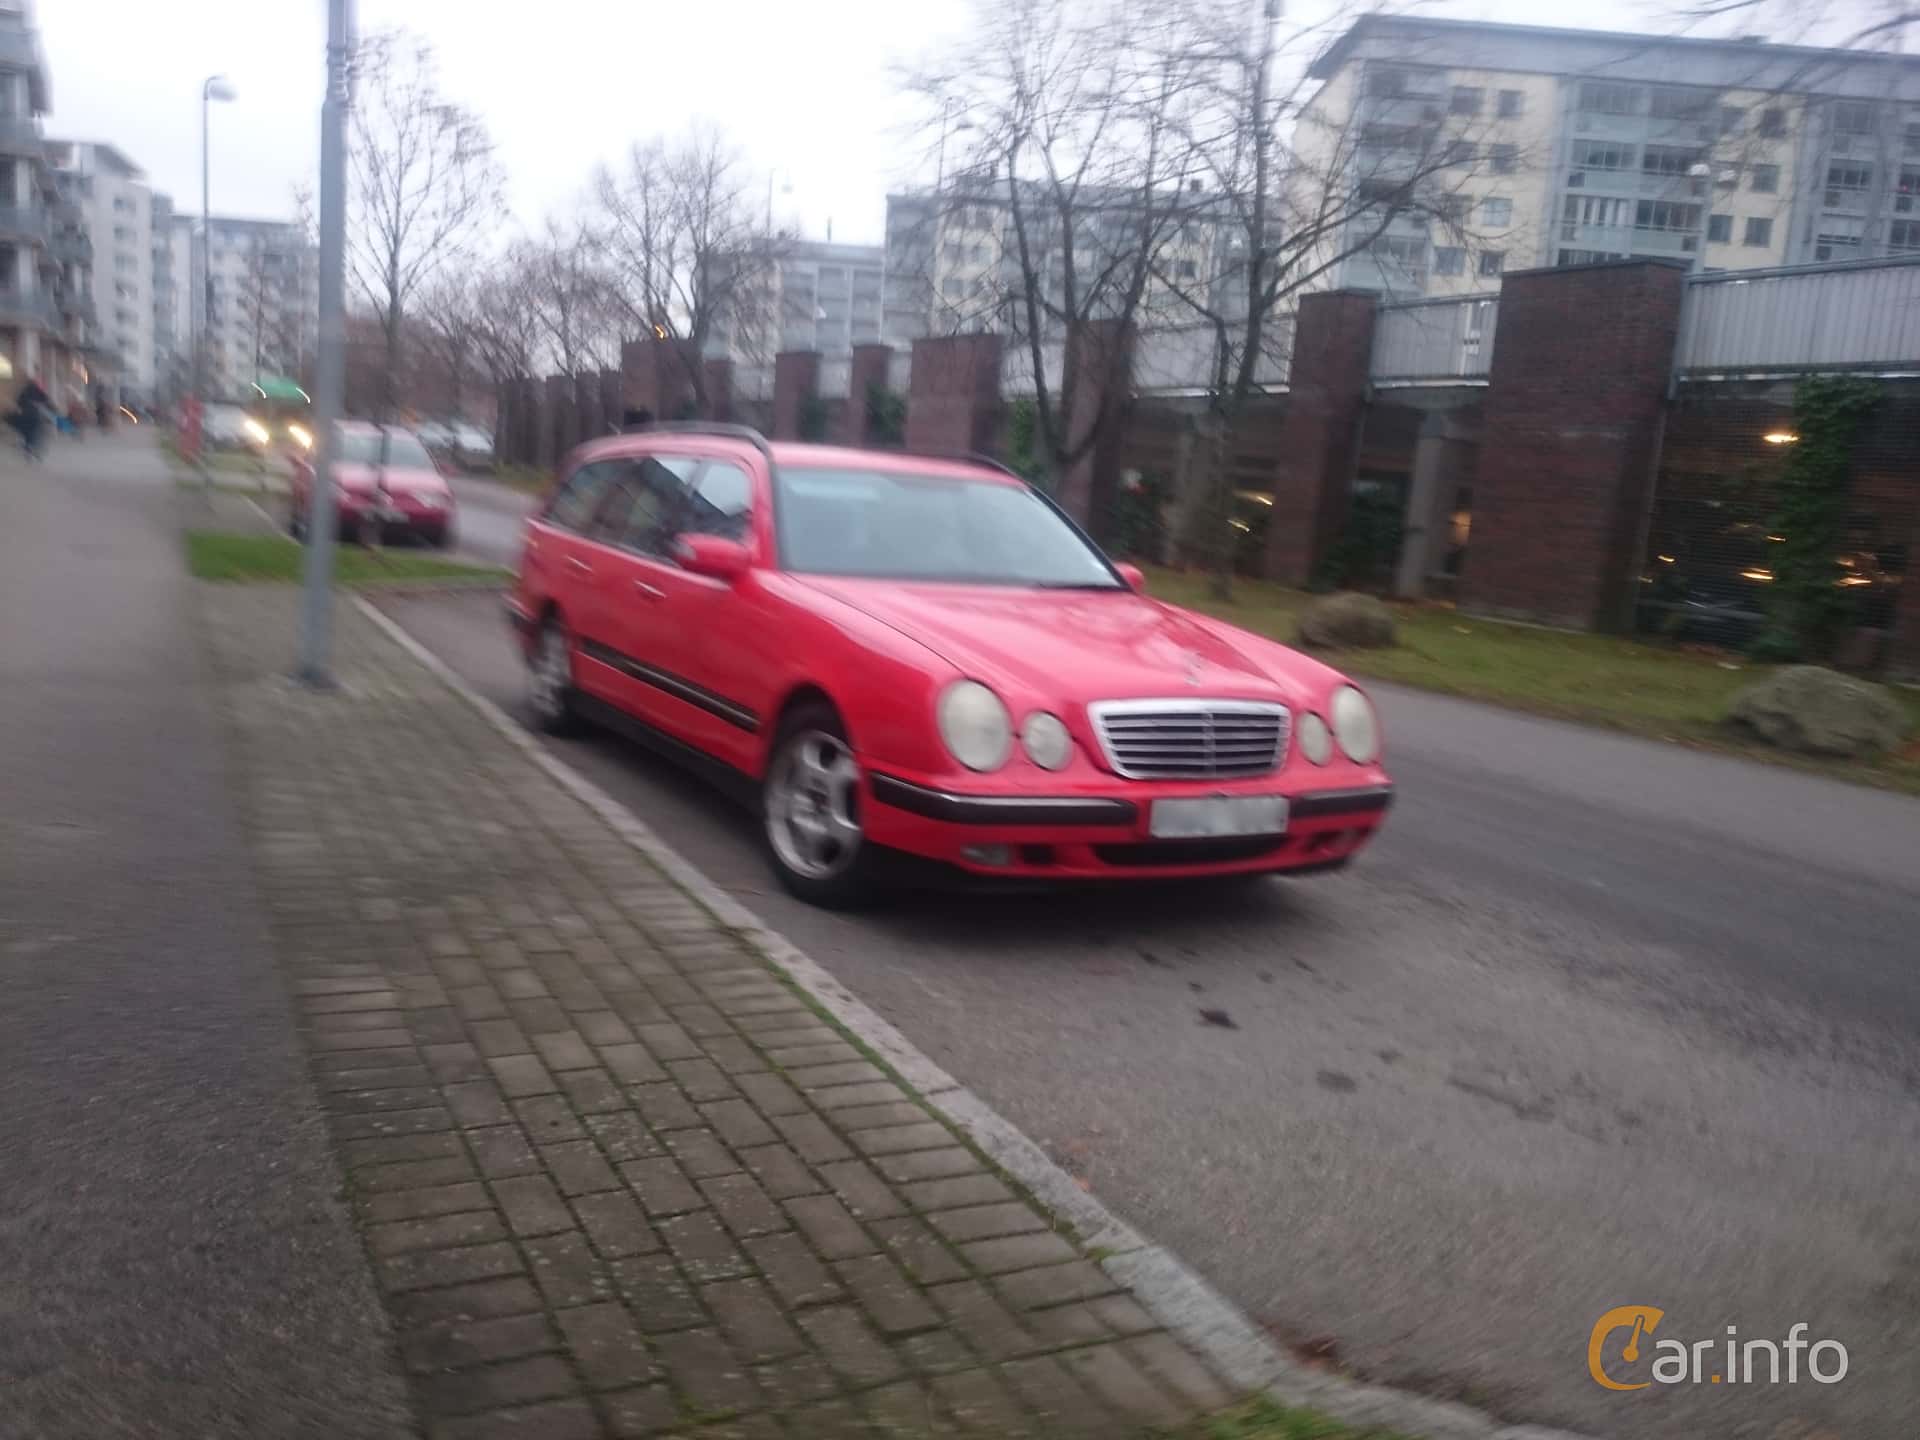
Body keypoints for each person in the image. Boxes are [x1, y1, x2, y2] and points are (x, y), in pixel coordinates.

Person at [11, 375, 51, 460]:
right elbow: (46, 400)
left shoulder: (23, 391)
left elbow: (18, 402)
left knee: (27, 434)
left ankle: (28, 450)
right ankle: (36, 450)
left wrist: (22, 408)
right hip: (35, 415)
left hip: (25, 415)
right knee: (37, 433)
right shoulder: (38, 391)